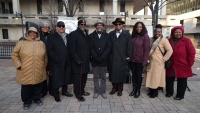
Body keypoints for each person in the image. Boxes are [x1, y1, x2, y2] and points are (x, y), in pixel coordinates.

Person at [11, 27, 47, 110]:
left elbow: (45, 56)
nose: (33, 34)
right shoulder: (21, 43)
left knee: (38, 86)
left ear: (37, 34)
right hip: (25, 69)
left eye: (35, 33)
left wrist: (43, 65)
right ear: (28, 33)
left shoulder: (41, 43)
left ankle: (37, 99)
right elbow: (14, 54)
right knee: (26, 88)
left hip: (39, 68)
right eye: (31, 32)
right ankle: (26, 102)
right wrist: (18, 65)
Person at [166, 26, 195, 100]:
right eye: (176, 32)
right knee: (169, 78)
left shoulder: (186, 40)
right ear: (173, 33)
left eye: (179, 32)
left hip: (183, 64)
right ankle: (169, 92)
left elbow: (191, 52)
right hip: (171, 63)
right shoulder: (169, 40)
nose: (178, 33)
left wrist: (190, 63)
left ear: (182, 33)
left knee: (182, 80)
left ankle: (180, 95)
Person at [46, 21, 73, 102]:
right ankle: (56, 94)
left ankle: (64, 92)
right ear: (56, 27)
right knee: (56, 79)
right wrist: (56, 59)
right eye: (59, 26)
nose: (61, 28)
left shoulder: (68, 36)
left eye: (63, 26)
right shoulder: (51, 37)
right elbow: (50, 50)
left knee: (66, 78)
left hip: (67, 61)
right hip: (56, 62)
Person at [144, 24, 173, 98]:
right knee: (150, 76)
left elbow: (170, 50)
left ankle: (155, 92)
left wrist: (164, 59)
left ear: (161, 32)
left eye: (159, 32)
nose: (157, 33)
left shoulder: (164, 40)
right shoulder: (151, 39)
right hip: (151, 61)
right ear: (154, 32)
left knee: (156, 77)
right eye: (156, 32)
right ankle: (151, 90)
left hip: (159, 63)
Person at [108, 18, 132, 96]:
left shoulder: (127, 34)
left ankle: (120, 89)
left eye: (119, 24)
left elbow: (129, 46)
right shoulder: (111, 34)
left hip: (122, 59)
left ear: (122, 25)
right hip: (113, 58)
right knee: (113, 74)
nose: (118, 25)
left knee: (121, 75)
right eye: (116, 24)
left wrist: (127, 57)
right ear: (114, 26)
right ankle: (114, 88)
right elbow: (108, 46)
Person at [68, 19, 90, 102]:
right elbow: (71, 49)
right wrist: (77, 60)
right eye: (81, 24)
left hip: (85, 61)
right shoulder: (73, 34)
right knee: (77, 80)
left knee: (84, 78)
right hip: (78, 62)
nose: (83, 25)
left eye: (84, 24)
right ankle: (78, 94)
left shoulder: (85, 34)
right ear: (78, 25)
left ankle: (82, 91)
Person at [89, 19, 111, 99]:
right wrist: (96, 57)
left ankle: (103, 91)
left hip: (104, 60)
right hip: (95, 60)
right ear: (96, 26)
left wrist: (102, 57)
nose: (99, 26)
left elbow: (109, 47)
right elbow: (90, 48)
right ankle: (96, 91)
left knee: (103, 77)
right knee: (95, 77)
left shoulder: (107, 36)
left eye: (101, 25)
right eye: (98, 25)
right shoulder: (91, 36)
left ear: (103, 27)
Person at [129, 22, 150, 98]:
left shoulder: (145, 36)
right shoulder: (133, 36)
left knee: (138, 76)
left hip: (140, 61)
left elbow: (147, 50)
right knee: (133, 76)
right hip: (132, 60)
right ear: (135, 28)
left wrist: (144, 62)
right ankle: (134, 89)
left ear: (143, 28)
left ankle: (138, 90)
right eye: (137, 27)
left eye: (140, 27)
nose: (139, 28)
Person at [39, 21, 52, 98]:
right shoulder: (38, 36)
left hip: (50, 59)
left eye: (47, 27)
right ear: (41, 28)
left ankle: (50, 88)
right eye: (43, 27)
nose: (45, 28)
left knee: (50, 74)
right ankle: (43, 91)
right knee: (43, 75)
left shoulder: (52, 35)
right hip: (42, 59)